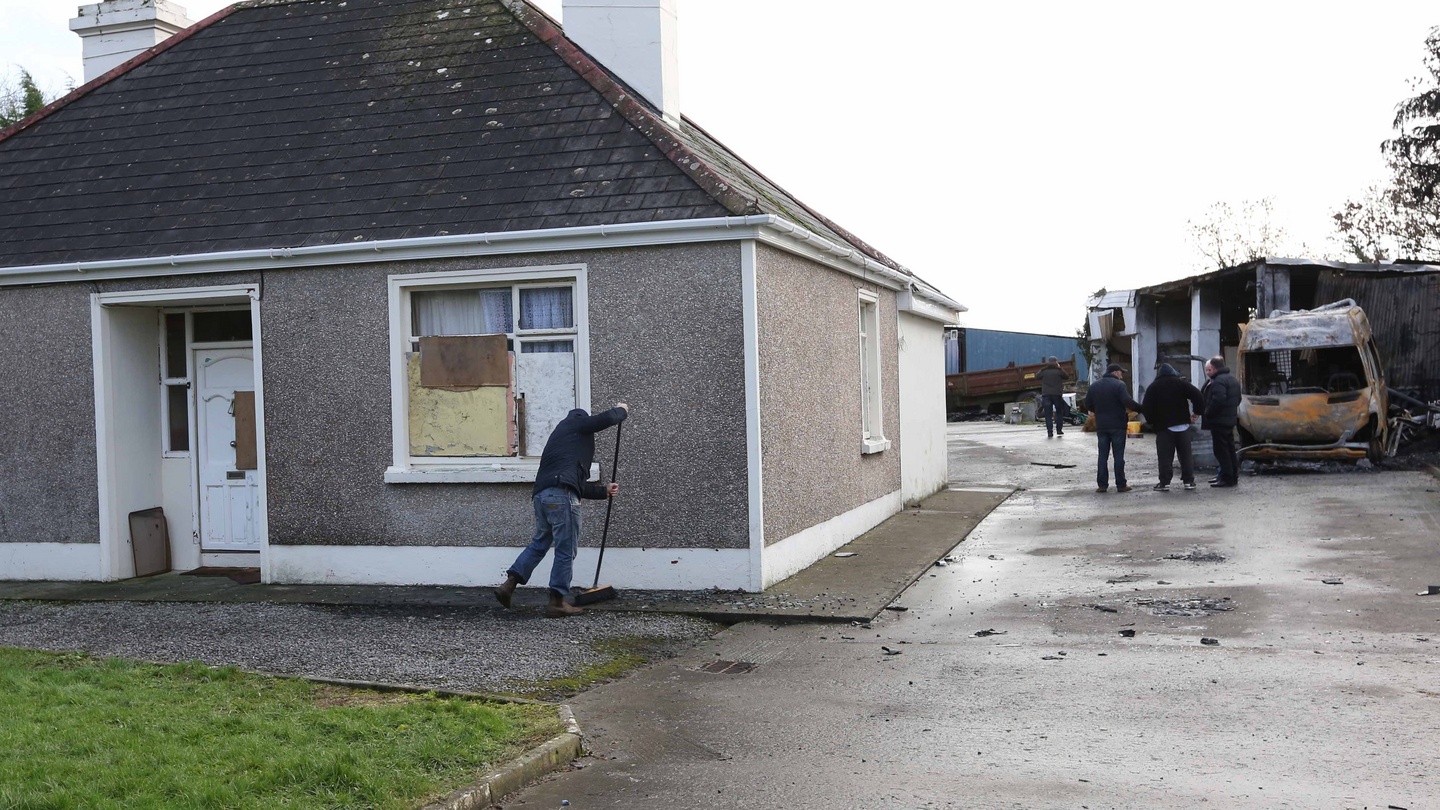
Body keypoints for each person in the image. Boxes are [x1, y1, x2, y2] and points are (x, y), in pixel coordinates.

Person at [495, 403, 630, 617]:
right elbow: (605, 420)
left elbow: (573, 483)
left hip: (542, 496)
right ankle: (557, 601)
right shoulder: (576, 422)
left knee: (539, 543)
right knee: (566, 549)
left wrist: (603, 491)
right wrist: (621, 410)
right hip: (561, 497)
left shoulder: (561, 440)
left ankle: (509, 585)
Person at [1141, 363, 1204, 491]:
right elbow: (1198, 395)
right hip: (1183, 426)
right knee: (1186, 455)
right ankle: (1189, 481)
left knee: (1165, 456)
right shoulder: (1181, 384)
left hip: (1164, 428)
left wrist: (1152, 422)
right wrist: (1197, 413)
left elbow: (1146, 407)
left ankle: (1164, 483)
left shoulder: (1153, 387)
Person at [1083, 363, 1141, 493]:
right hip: (1117, 425)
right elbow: (1127, 401)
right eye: (1121, 372)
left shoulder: (1094, 386)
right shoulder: (1119, 385)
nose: (1122, 375)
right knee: (1118, 456)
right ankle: (1121, 485)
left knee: (1102, 456)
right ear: (1115, 372)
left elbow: (1087, 404)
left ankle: (1102, 485)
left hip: (1102, 426)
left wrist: (1097, 410)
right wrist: (1140, 408)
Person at [1201, 356, 1242, 488]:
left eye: (1209, 370)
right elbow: (1238, 399)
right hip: (1229, 420)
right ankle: (1232, 476)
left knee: (1221, 451)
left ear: (1215, 368)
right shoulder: (1232, 379)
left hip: (1219, 421)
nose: (1207, 372)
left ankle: (1226, 478)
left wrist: (1208, 413)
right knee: (1230, 449)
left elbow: (1218, 400)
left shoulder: (1218, 381)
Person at [1035, 356, 1069, 438]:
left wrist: (1043, 368)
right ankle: (1059, 430)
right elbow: (1066, 376)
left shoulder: (1044, 371)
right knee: (1059, 412)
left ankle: (1050, 432)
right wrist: (1060, 368)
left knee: (1048, 414)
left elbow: (1037, 376)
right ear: (1056, 362)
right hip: (1057, 395)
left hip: (1046, 395)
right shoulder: (1059, 371)